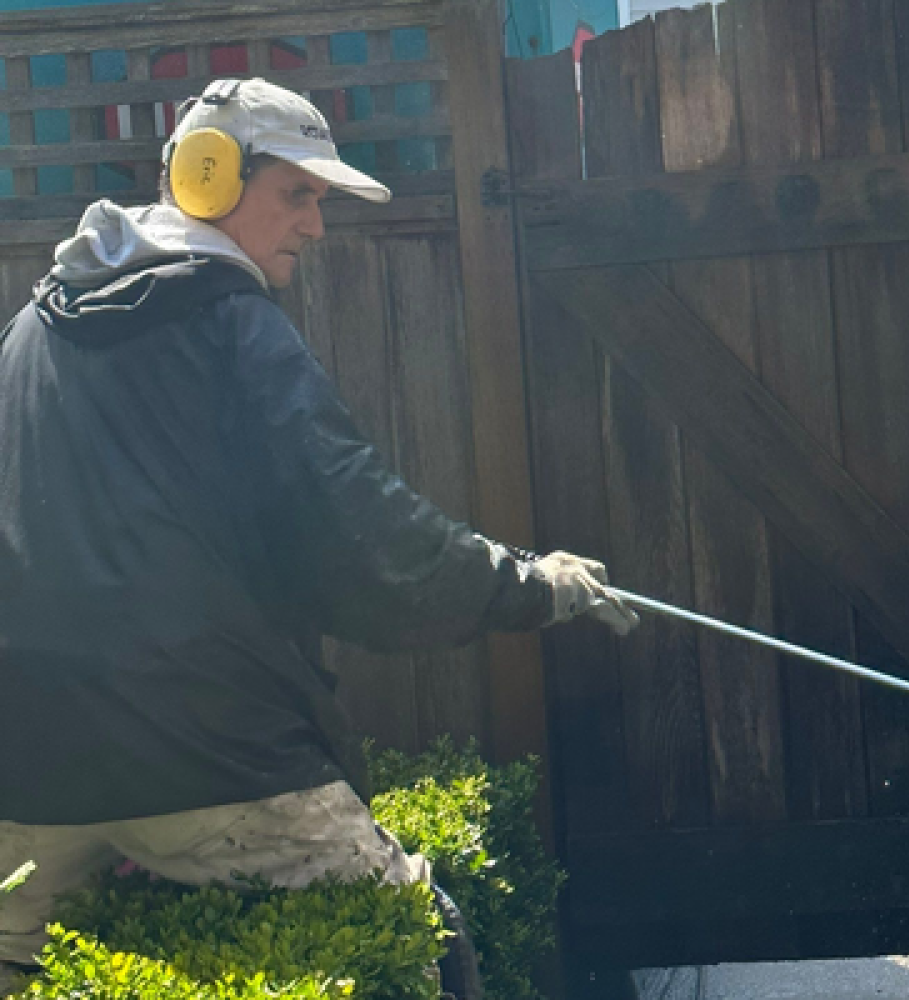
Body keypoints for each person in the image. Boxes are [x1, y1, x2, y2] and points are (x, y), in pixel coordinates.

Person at [0, 77, 637, 994]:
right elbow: (359, 533)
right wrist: (530, 585)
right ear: (209, 176)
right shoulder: (228, 319)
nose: (316, 225)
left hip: (24, 763)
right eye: (297, 194)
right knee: (419, 938)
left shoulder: (29, 331)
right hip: (210, 746)